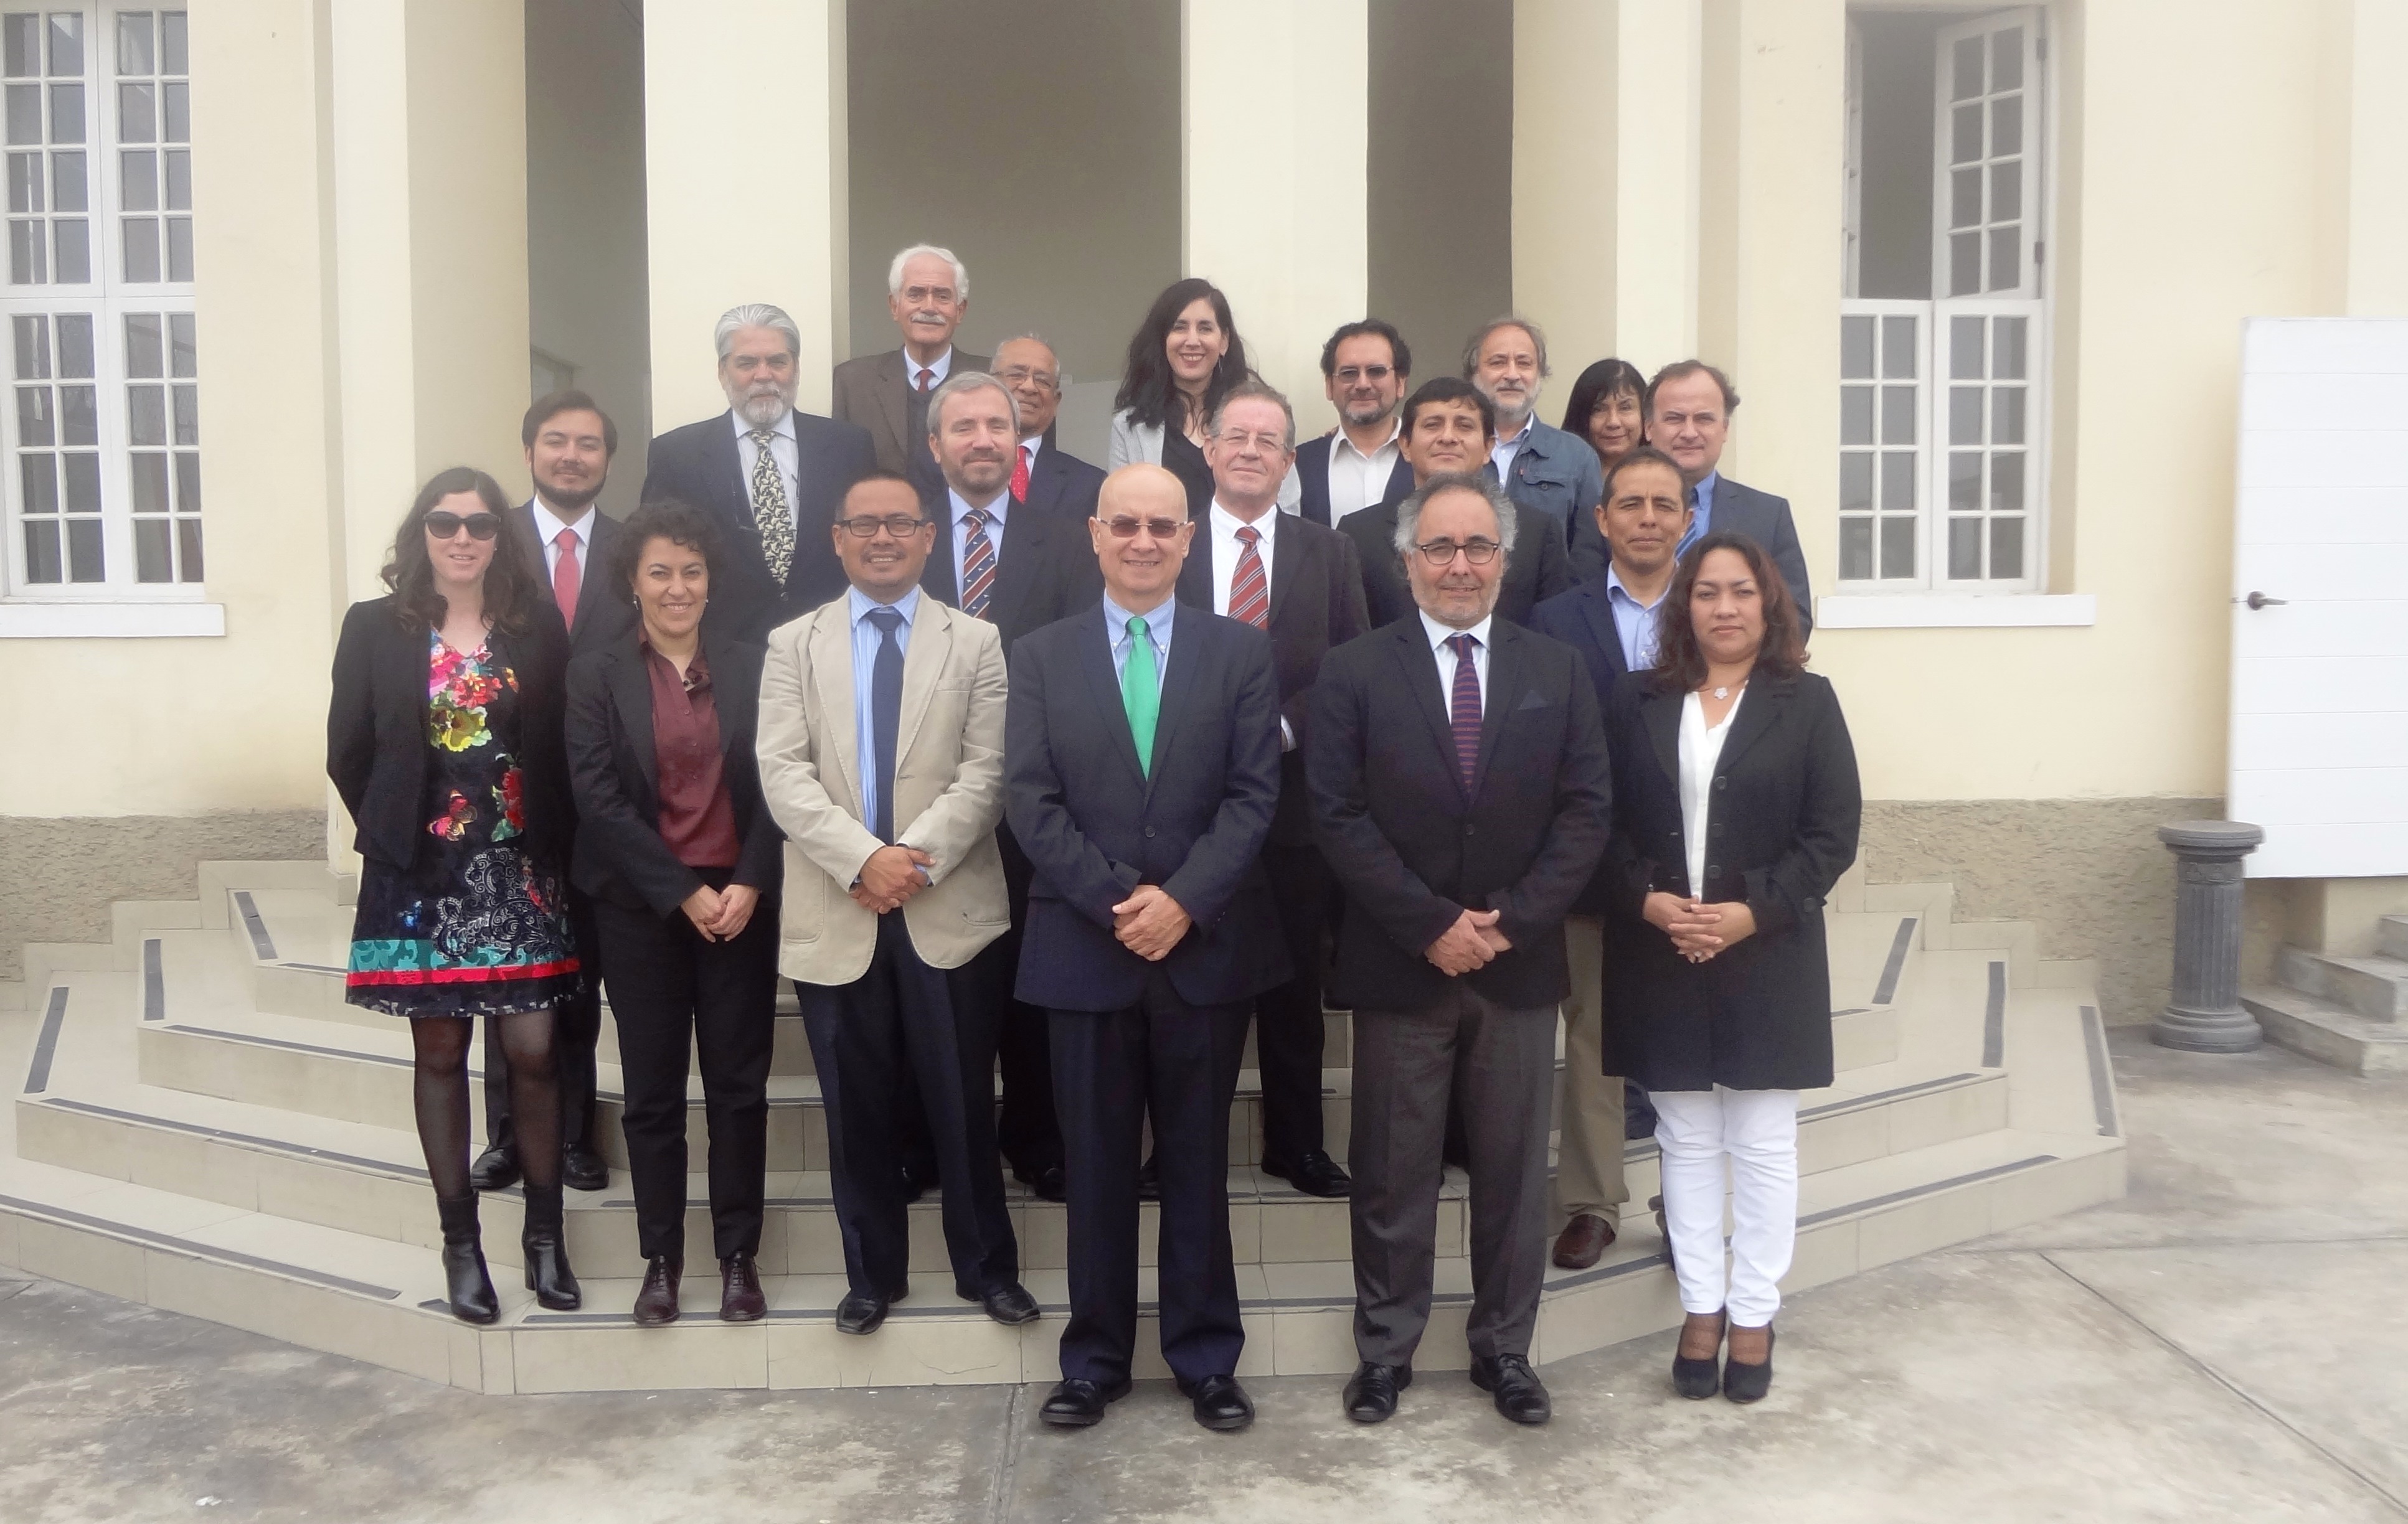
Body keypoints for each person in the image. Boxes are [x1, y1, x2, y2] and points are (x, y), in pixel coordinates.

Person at [1310, 472, 1611, 1428]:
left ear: (1503, 560)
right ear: (1406, 561)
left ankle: (1504, 1350)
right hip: (1400, 963)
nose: (1458, 565)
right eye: (1438, 547)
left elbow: (1585, 811)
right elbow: (1335, 813)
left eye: (1477, 546)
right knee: (1390, 1172)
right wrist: (1428, 923)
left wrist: (1509, 921)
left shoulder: (1554, 669)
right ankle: (1384, 1352)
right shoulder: (1354, 670)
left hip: (1516, 966)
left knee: (1514, 1177)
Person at [1006, 463, 1288, 1432]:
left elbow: (1253, 794)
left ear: (1187, 539)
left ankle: (1205, 1359)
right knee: (1093, 1169)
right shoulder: (1039, 656)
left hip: (1203, 951)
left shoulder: (1238, 651)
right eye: (1123, 524)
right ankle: (1093, 1360)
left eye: (1161, 527)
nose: (1141, 541)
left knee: (1198, 1166)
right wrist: (1118, 900)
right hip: (1085, 948)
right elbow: (1029, 798)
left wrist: (1184, 902)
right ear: (1093, 534)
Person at [755, 472, 1037, 1335]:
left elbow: (989, 770)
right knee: (855, 1107)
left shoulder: (976, 641)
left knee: (963, 1100)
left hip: (945, 906)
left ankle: (986, 1269)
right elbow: (782, 772)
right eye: (864, 524)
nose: (882, 537)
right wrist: (863, 861)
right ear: (837, 538)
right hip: (838, 904)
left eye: (900, 523)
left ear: (928, 537)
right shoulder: (792, 644)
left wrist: (909, 863)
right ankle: (872, 1276)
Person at [1597, 530, 1859, 1404]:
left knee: (1762, 1141)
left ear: (1768, 603)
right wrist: (1645, 900)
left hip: (1768, 951)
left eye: (1741, 591)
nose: (1724, 607)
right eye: (1706, 592)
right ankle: (1700, 1307)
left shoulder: (1807, 702)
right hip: (1661, 946)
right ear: (1685, 605)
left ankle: (1752, 1311)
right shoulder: (1637, 700)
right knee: (1683, 1139)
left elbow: (1831, 834)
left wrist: (1753, 911)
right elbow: (1598, 821)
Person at [328, 467, 583, 1324]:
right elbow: (348, 749)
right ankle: (461, 1244)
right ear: (423, 534)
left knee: (534, 1051)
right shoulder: (375, 627)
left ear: (499, 538)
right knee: (439, 1054)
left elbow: (559, 744)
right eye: (445, 523)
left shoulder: (535, 627)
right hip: (420, 877)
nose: (462, 538)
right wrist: (397, 826)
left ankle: (544, 1238)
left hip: (518, 873)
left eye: (479, 524)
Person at [562, 499, 785, 1327]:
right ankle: (660, 1258)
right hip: (640, 906)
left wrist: (751, 881)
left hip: (739, 907)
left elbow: (784, 782)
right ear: (633, 580)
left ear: (710, 580)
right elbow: (598, 798)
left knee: (738, 1088)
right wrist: (681, 890)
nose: (677, 587)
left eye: (691, 571)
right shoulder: (595, 673)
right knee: (652, 1091)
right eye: (659, 571)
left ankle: (738, 1257)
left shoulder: (753, 665)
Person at [1175, 380, 1367, 1200]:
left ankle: (1298, 1144)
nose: (1250, 451)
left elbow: (1350, 666)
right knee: (1189, 990)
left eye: (1268, 441)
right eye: (1237, 436)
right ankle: (1182, 1147)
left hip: (1293, 806)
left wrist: (1276, 729)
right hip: (1185, 805)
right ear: (1209, 449)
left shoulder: (1329, 552)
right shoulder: (1172, 542)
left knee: (1293, 990)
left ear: (1289, 461)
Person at [917, 368, 1104, 1200]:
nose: (983, 440)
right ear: (936, 445)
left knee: (1033, 979)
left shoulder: (1065, 542)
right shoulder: (903, 539)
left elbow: (1079, 666)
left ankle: (1037, 1138)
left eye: (997, 425)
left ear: (1020, 439)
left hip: (1036, 799)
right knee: (943, 987)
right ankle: (936, 1143)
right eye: (964, 427)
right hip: (925, 800)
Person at [1526, 444, 1692, 1269]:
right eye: (1630, 504)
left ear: (1687, 520)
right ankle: (1591, 1204)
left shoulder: (1716, 609)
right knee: (1593, 1037)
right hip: (1589, 864)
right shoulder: (1554, 619)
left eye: (1663, 505)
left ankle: (1688, 1202)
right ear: (1601, 518)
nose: (1646, 519)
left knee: (1689, 1044)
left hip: (1695, 869)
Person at [471, 391, 630, 1197]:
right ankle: (507, 1134)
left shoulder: (635, 548)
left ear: (608, 459)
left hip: (603, 799)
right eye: (557, 441)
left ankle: (573, 1134)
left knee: (581, 977)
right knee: (508, 973)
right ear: (529, 451)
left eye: (589, 444)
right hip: (504, 800)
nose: (572, 456)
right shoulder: (484, 541)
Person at [641, 302, 877, 641]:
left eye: (778, 361)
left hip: (830, 642)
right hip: (721, 649)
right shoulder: (676, 455)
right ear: (722, 371)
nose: (763, 375)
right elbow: (655, 555)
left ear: (796, 368)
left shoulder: (850, 447)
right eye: (747, 363)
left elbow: (868, 541)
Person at [1570, 360, 1813, 623]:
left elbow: (1793, 619)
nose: (1689, 433)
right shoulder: (1606, 511)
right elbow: (1580, 610)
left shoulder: (1769, 516)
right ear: (1648, 427)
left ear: (1725, 429)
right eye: (1675, 418)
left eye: (1704, 419)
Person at [1341, 378, 1572, 628]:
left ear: (1488, 447)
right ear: (1405, 445)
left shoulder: (1538, 532)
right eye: (1433, 425)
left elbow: (1552, 633)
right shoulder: (1358, 534)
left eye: (1464, 426)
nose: (1448, 437)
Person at [1105, 277, 1300, 517]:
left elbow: (1288, 509)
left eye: (1205, 328)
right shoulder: (1129, 427)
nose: (1192, 341)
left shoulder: (1265, 416)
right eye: (1179, 327)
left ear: (1224, 341)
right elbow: (1120, 513)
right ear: (1163, 339)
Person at [833, 243, 990, 482]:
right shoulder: (853, 382)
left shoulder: (992, 380)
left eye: (942, 296)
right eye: (916, 294)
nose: (929, 307)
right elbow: (840, 471)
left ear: (960, 310)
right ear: (894, 306)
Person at [1463, 316, 1603, 546]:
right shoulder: (1452, 448)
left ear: (1540, 374)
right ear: (1474, 374)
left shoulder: (1577, 456)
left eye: (1524, 363)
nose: (1512, 375)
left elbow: (1589, 551)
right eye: (1498, 362)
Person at [1295, 318, 1413, 527]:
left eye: (1376, 371)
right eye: (1349, 373)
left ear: (1400, 383)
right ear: (1329, 386)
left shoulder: (1429, 457)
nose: (1362, 384)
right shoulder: (1297, 464)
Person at [995, 333, 1107, 520]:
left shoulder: (1090, 484)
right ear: (989, 385)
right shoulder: (954, 467)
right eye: (1017, 375)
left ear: (1056, 401)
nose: (1029, 387)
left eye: (1042, 381)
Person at [1559, 358, 1648, 482]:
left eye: (1625, 408)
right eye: (1599, 409)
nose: (1613, 422)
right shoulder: (1557, 474)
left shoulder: (1668, 474)